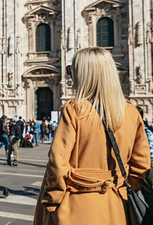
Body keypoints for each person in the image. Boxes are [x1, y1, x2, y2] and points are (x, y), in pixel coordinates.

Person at [34, 47, 151, 225]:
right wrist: (120, 186)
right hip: (118, 204)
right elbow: (141, 166)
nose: (70, 77)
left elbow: (57, 165)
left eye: (72, 71)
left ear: (84, 75)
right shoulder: (131, 112)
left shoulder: (74, 110)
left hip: (75, 206)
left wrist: (52, 201)